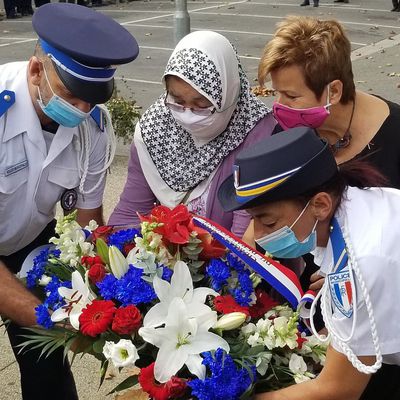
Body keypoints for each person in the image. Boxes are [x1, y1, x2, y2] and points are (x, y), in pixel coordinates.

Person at [0, 3, 139, 399]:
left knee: (47, 367)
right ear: (35, 70)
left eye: (89, 102)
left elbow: (88, 223)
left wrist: (91, 302)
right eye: (70, 96)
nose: (79, 111)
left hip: (30, 241)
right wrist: (47, 318)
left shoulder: (93, 127)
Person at [218, 126, 400, 400]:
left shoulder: (362, 262)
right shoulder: (356, 207)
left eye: (268, 222)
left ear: (320, 205)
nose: (258, 234)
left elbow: (338, 390)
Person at [108, 30, 276, 238]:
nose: (188, 114)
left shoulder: (257, 132)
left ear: (229, 94)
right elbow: (129, 214)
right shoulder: (154, 128)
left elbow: (244, 239)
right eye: (178, 101)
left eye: (202, 104)